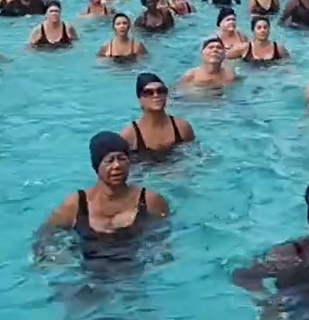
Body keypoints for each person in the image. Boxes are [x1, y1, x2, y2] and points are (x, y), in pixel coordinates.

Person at [36, 132, 170, 261]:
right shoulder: (75, 204)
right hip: (88, 272)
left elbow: (164, 239)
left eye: (122, 158)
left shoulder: (150, 201)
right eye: (109, 161)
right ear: (97, 166)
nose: (117, 165)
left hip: (134, 268)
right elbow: (45, 235)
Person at [119, 73, 195, 158]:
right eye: (149, 92)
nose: (156, 95)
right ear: (140, 99)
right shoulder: (129, 135)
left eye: (160, 91)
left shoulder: (182, 127)